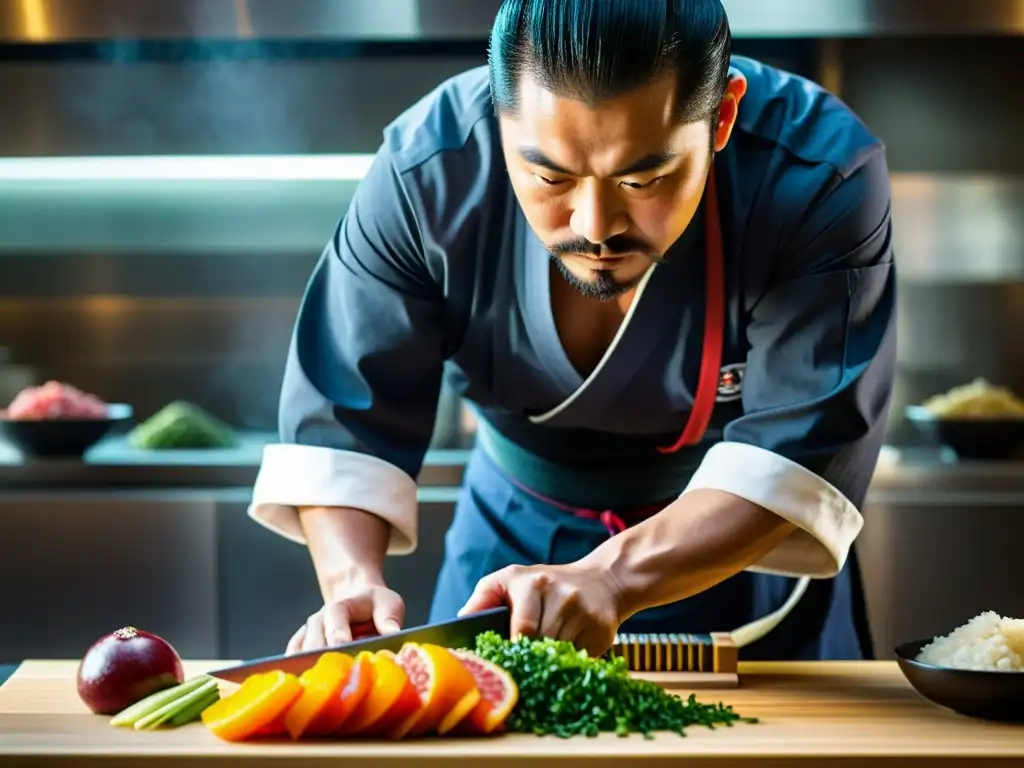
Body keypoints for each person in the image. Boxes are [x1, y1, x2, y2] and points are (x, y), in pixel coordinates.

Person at [250, 0, 895, 662]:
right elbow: (343, 430)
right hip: (508, 553)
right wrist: (352, 583)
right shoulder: (429, 168)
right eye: (550, 175)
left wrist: (613, 576)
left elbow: (802, 447)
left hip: (738, 556)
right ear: (499, 118)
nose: (596, 224)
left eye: (643, 177)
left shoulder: (815, 169)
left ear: (722, 116)